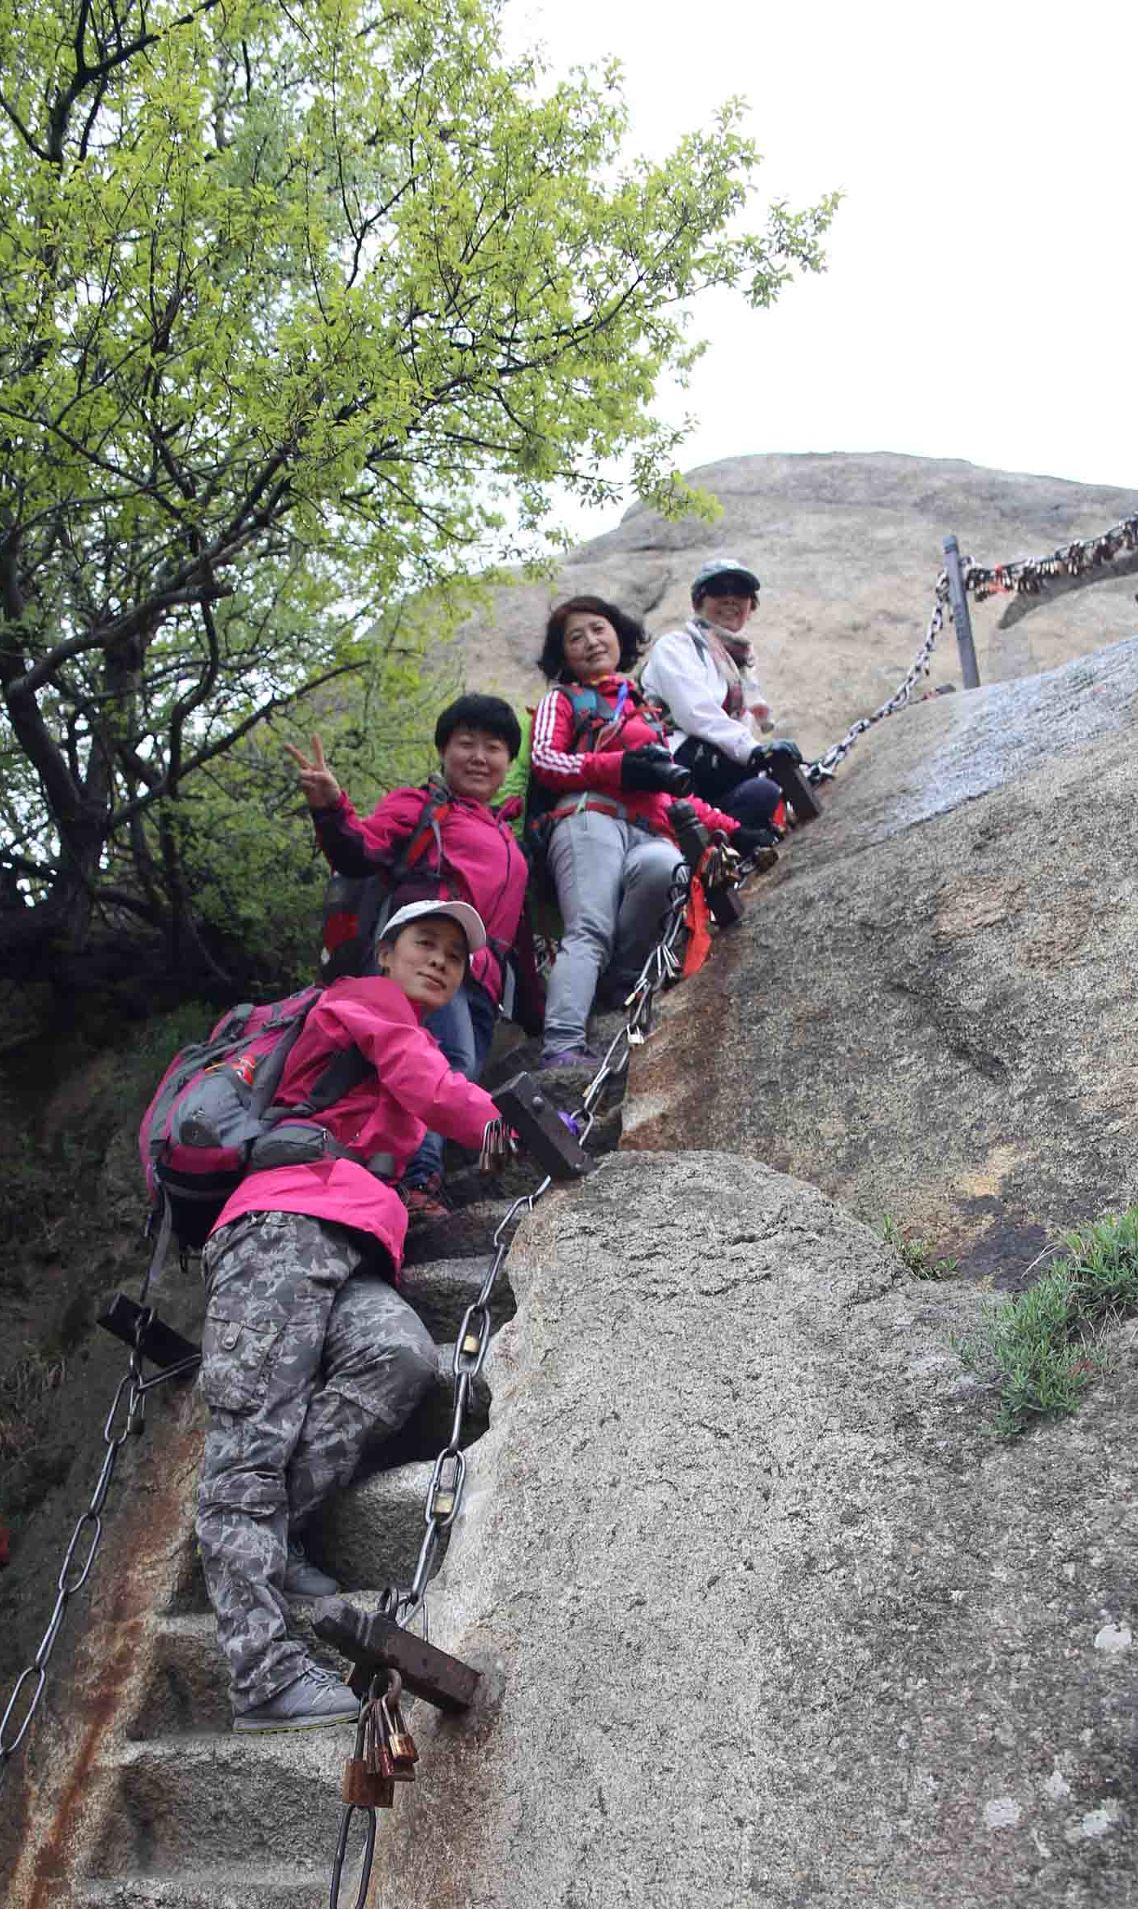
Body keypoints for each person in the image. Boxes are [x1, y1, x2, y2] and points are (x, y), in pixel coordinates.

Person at [197, 901, 510, 1730]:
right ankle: (262, 1674)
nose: (442, 962)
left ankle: (272, 1534)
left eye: (455, 955)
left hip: (356, 1251)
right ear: (384, 950)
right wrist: (502, 1123)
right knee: (252, 1439)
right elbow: (428, 1082)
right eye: (425, 944)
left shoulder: (388, 1044)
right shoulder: (363, 1001)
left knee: (401, 1358)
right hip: (280, 1227)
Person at [287, 694, 536, 1226]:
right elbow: (361, 849)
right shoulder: (422, 805)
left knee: (451, 1071)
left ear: (508, 763)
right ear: (444, 751)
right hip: (424, 957)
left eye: (493, 747)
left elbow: (516, 929)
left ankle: (409, 1173)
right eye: (465, 743)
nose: (478, 756)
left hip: (483, 981)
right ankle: (415, 1181)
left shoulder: (506, 835)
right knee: (444, 1066)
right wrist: (332, 809)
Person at [529, 595, 739, 1070]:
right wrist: (620, 766)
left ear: (618, 636)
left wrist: (731, 828)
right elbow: (546, 759)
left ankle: (616, 987)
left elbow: (669, 793)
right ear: (564, 656)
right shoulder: (561, 700)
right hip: (588, 818)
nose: (590, 642)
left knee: (668, 871)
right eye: (575, 637)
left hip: (648, 831)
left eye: (598, 629)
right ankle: (561, 1044)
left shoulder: (643, 708)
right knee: (590, 925)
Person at [639, 558, 803, 849]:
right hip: (681, 768)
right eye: (718, 589)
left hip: (718, 768)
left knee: (762, 794)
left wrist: (755, 754)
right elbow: (695, 713)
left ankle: (725, 844)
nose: (730, 598)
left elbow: (736, 729)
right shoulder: (675, 647)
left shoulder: (740, 662)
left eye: (740, 592)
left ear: (751, 607)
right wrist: (754, 752)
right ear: (698, 602)